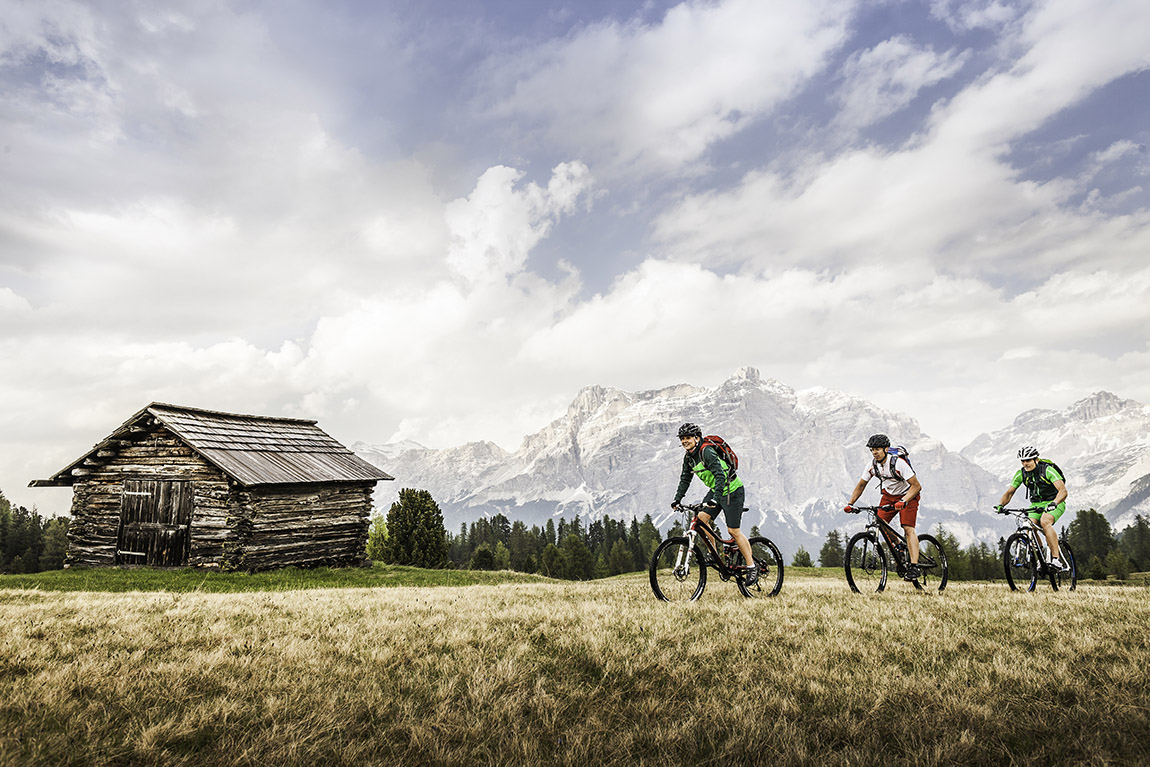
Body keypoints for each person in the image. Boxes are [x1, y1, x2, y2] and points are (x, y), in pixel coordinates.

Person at [670, 422, 757, 587]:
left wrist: (716, 498)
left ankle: (751, 567)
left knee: (733, 530)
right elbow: (685, 479)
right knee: (701, 520)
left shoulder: (706, 451)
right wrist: (677, 499)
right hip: (717, 490)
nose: (684, 441)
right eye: (682, 438)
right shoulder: (688, 457)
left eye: (687, 437)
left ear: (697, 438)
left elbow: (719, 475)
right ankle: (713, 553)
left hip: (731, 489)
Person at [844, 434, 923, 580]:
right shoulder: (872, 466)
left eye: (878, 449)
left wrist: (904, 500)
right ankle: (899, 545)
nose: (875, 452)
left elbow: (917, 486)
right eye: (872, 449)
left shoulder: (898, 463)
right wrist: (850, 503)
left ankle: (914, 566)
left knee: (907, 528)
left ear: (886, 449)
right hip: (889, 496)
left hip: (908, 495)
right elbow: (861, 485)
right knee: (881, 523)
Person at [996, 446, 1070, 570]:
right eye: (1022, 461)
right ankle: (1040, 558)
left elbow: (1063, 491)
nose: (1025, 464)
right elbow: (1010, 492)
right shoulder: (1021, 474)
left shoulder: (1047, 470)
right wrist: (1001, 505)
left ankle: (1056, 559)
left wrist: (1055, 503)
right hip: (1036, 504)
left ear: (1036, 459)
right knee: (1029, 525)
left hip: (1055, 501)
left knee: (1045, 522)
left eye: (1028, 460)